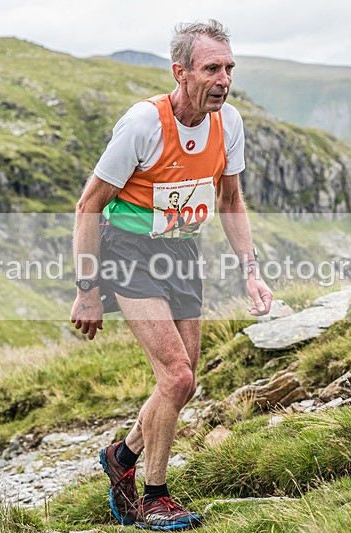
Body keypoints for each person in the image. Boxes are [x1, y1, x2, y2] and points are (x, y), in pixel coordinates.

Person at [70, 19, 273, 530]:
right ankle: (156, 497)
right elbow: (89, 205)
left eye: (229, 67)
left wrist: (251, 272)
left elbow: (230, 200)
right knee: (176, 374)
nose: (224, 79)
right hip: (127, 252)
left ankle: (122, 456)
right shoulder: (143, 123)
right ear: (180, 72)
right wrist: (88, 290)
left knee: (182, 384)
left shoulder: (229, 124)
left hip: (182, 251)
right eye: (212, 68)